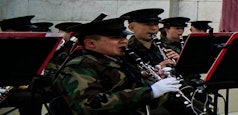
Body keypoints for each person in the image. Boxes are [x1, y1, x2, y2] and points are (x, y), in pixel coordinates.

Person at [51, 17, 190, 115]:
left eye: (124, 37)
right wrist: (150, 91)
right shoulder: (80, 66)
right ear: (91, 44)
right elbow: (90, 105)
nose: (124, 42)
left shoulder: (119, 60)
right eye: (116, 38)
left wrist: (155, 81)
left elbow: (141, 96)